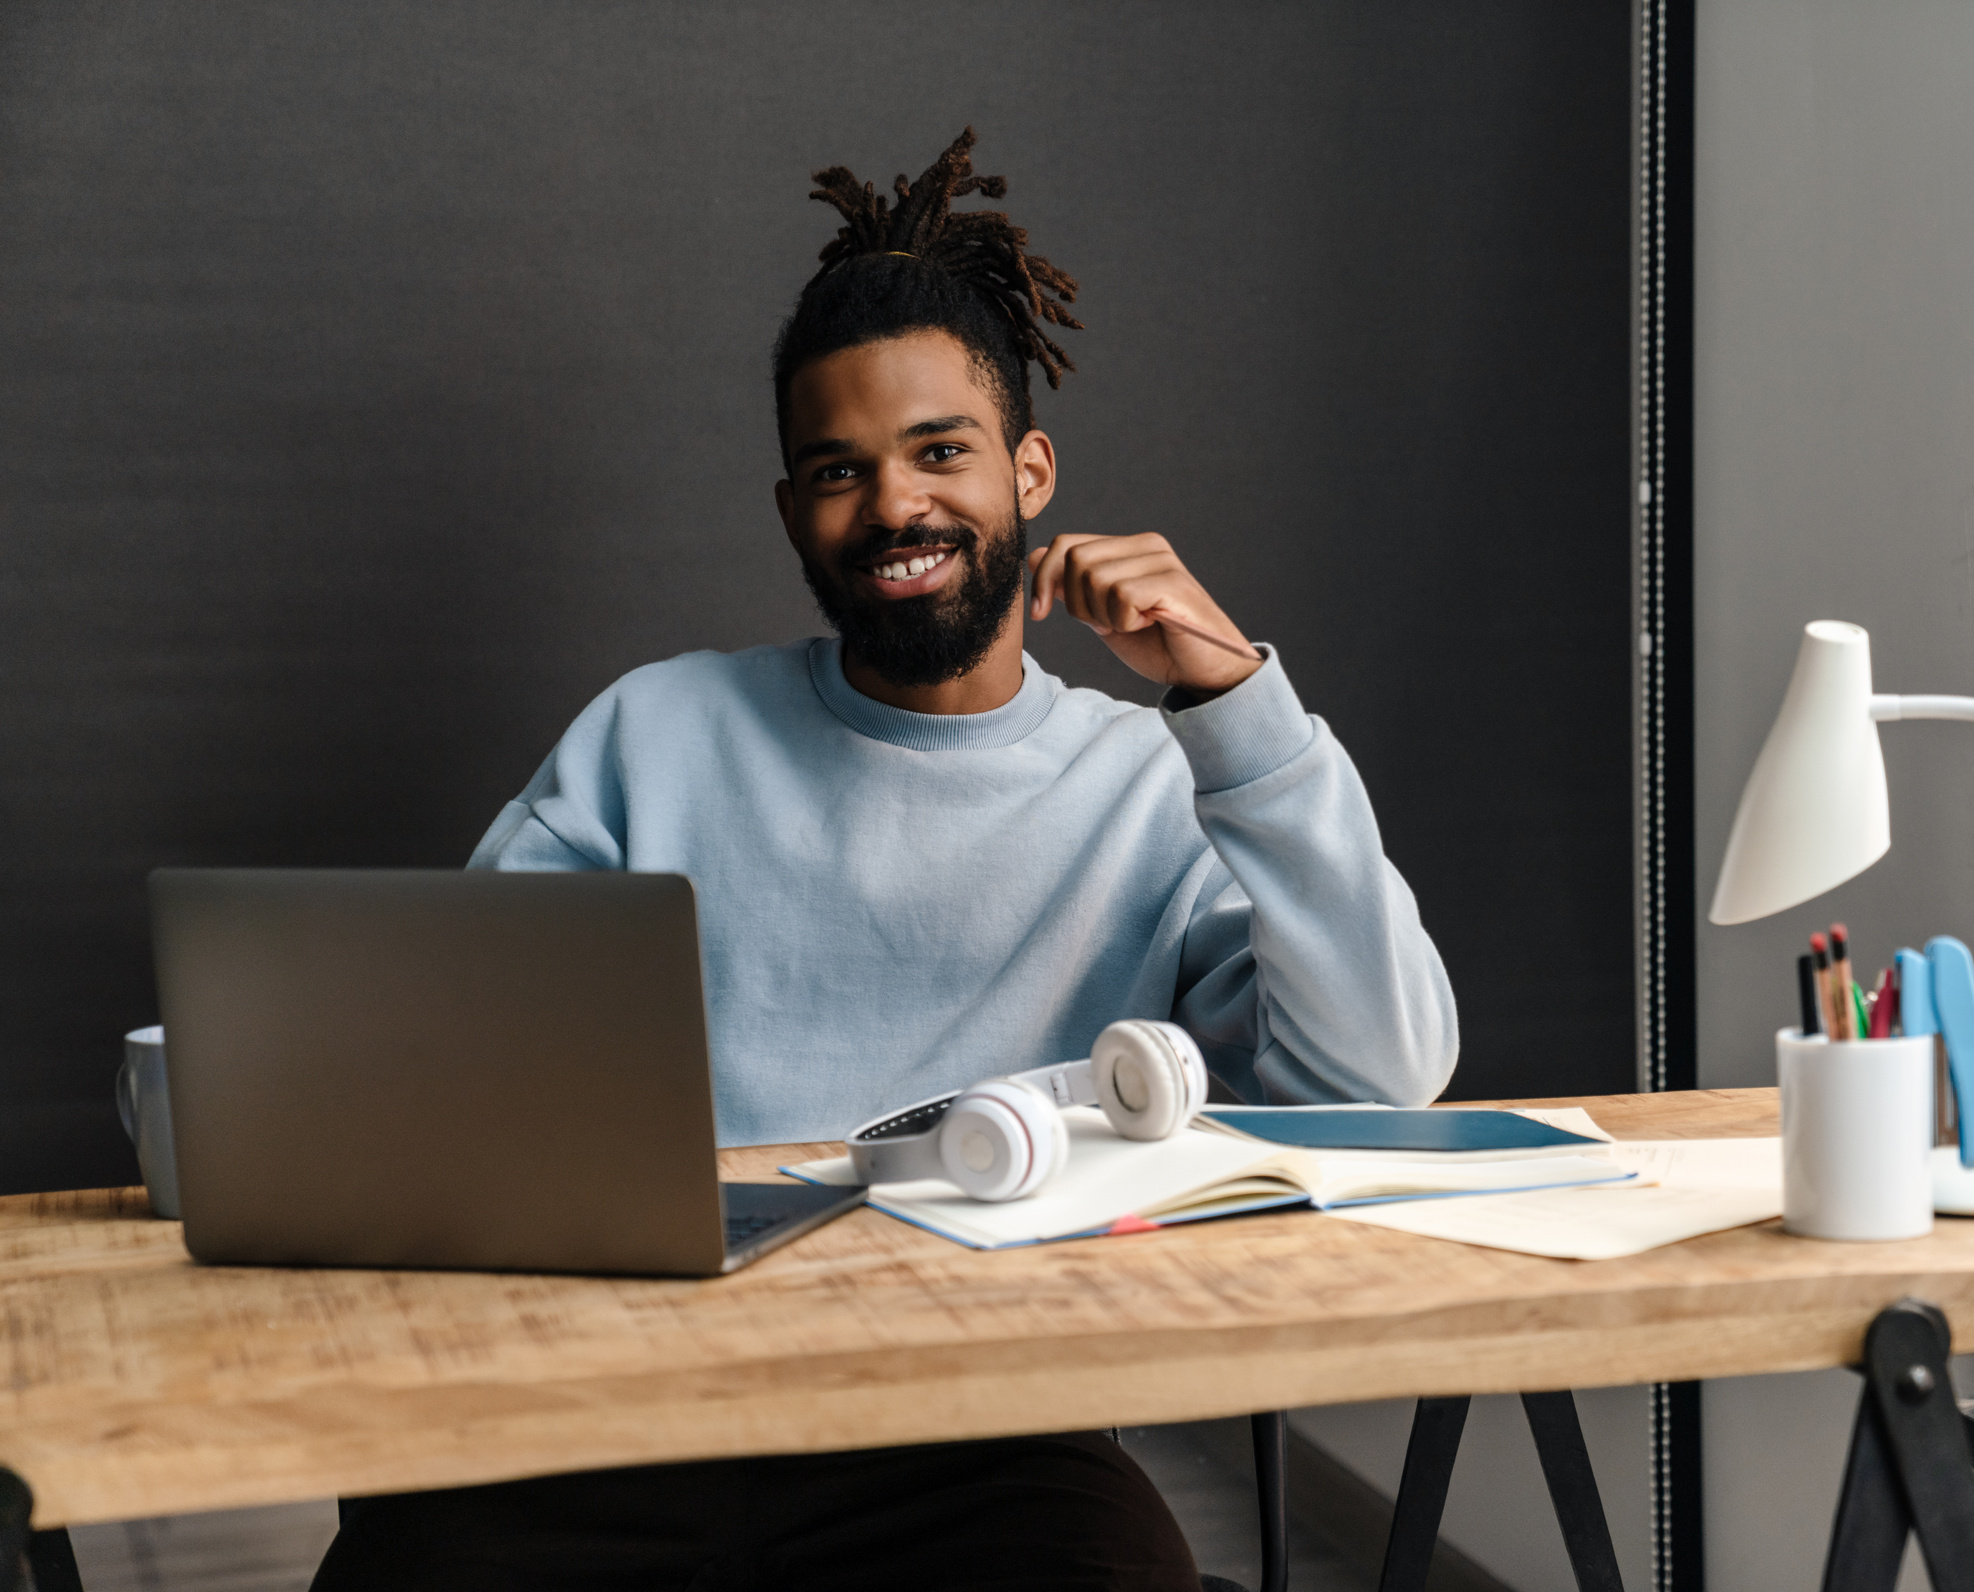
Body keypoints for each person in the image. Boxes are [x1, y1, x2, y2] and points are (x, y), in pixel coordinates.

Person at [311, 128, 1456, 1592]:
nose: (895, 507)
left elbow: (1378, 1078)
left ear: (1028, 469)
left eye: (940, 451)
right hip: (614, 1410)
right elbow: (438, 1070)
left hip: (976, 1441)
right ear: (794, 511)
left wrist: (1237, 707)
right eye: (838, 471)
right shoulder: (655, 732)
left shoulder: (1149, 783)